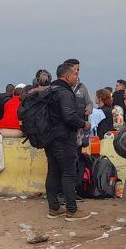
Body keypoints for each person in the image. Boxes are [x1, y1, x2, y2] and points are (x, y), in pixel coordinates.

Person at [43, 63, 91, 221]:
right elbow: (69, 116)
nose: (77, 77)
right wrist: (84, 124)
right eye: (75, 74)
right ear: (67, 76)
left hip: (49, 139)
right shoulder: (65, 93)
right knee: (68, 173)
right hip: (64, 139)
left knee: (53, 172)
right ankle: (72, 210)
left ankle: (54, 208)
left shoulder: (49, 90)